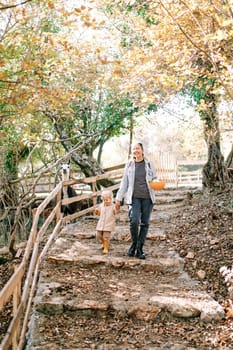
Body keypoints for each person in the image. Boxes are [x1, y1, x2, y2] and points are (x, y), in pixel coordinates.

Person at [115, 142, 156, 259]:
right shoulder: (129, 165)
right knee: (134, 221)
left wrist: (157, 183)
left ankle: (139, 248)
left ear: (142, 150)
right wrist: (118, 198)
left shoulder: (149, 164)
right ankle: (133, 244)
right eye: (134, 149)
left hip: (148, 198)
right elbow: (124, 183)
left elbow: (154, 178)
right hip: (134, 197)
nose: (136, 151)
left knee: (145, 223)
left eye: (138, 148)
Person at [95, 189, 119, 254]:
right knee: (98, 235)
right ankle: (105, 244)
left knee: (106, 237)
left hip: (109, 224)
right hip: (101, 224)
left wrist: (117, 207)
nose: (106, 201)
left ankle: (106, 248)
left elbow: (116, 211)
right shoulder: (101, 205)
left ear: (111, 199)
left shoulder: (113, 206)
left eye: (108, 199)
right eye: (104, 200)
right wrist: (96, 211)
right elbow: (98, 214)